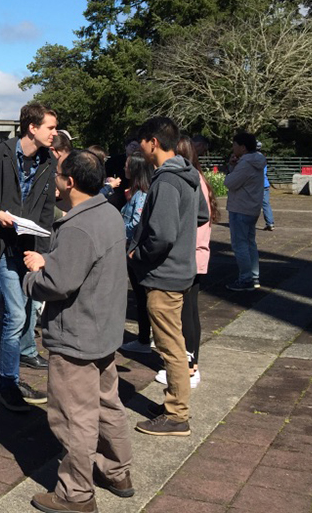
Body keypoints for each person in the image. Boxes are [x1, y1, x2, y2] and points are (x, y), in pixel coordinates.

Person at [23, 150, 133, 513]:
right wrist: (51, 264)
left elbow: (58, 283)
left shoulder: (77, 226)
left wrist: (34, 275)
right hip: (103, 327)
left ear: (69, 181)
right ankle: (116, 471)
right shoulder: (108, 212)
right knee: (107, 405)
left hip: (76, 333)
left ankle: (75, 494)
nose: (54, 179)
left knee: (73, 416)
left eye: (57, 174)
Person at [0, 102, 58, 412]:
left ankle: (21, 361)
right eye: (50, 127)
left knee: (28, 308)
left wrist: (42, 254)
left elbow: (46, 212)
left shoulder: (49, 161)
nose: (55, 133)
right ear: (32, 127)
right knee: (16, 315)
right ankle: (8, 384)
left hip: (27, 247)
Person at [128, 117, 208, 437]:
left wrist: (138, 254)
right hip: (182, 270)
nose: (140, 148)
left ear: (153, 143)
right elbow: (201, 214)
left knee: (170, 346)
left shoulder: (165, 180)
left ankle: (177, 414)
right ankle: (174, 406)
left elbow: (161, 235)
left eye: (142, 142)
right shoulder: (188, 173)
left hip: (164, 274)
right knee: (174, 343)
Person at [153, 138, 219, 389]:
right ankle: (190, 364)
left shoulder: (188, 181)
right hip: (195, 254)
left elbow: (198, 220)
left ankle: (190, 366)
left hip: (192, 253)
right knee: (188, 312)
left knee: (187, 312)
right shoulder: (195, 178)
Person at [118, 153, 155, 355]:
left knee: (142, 297)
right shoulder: (138, 192)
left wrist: (120, 234)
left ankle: (143, 338)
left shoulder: (141, 194)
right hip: (132, 247)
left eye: (127, 165)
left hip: (133, 248)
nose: (125, 168)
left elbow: (135, 221)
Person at [224, 132, 266, 292]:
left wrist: (232, 169)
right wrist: (234, 166)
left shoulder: (246, 163)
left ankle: (246, 279)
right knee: (250, 243)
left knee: (239, 245)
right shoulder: (257, 160)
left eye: (234, 144)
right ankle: (254, 277)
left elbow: (230, 182)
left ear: (242, 147)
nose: (232, 148)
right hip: (252, 207)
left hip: (240, 207)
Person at [257, 141, 275, 231]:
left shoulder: (253, 158)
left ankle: (248, 223)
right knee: (266, 204)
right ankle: (270, 223)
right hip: (265, 184)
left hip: (257, 185)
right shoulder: (262, 157)